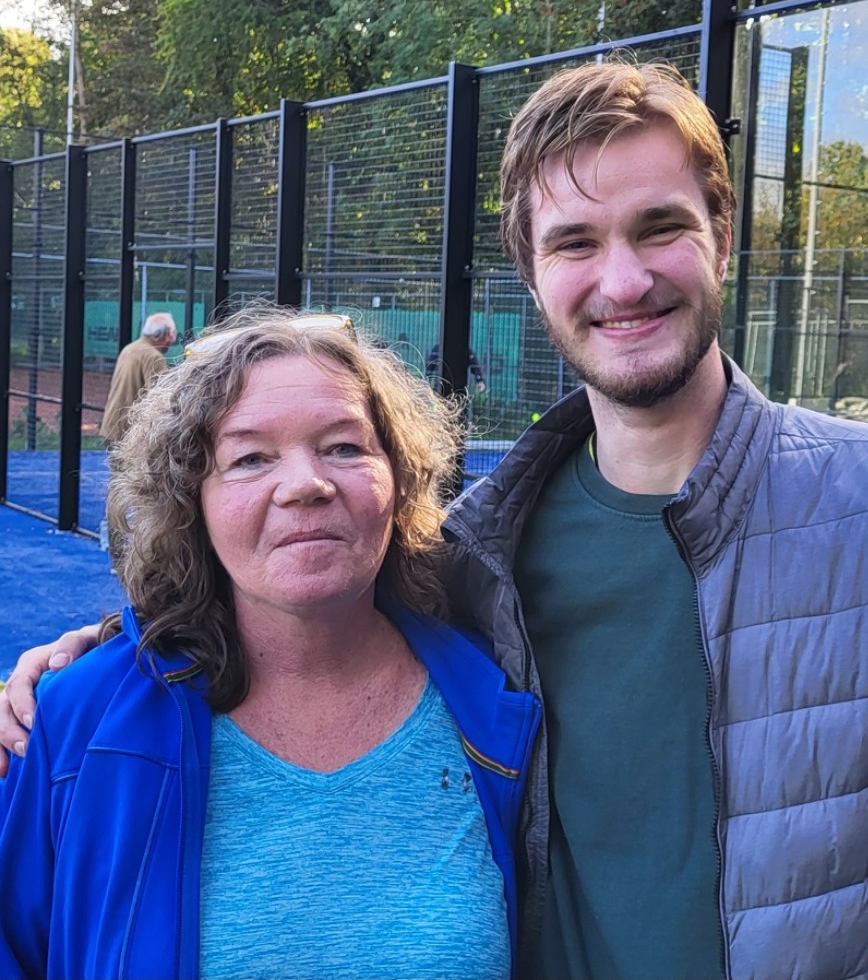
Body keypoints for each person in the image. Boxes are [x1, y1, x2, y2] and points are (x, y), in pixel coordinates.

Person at [3, 61, 868, 979]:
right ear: (531, 266)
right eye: (575, 241)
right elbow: (281, 598)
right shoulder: (473, 556)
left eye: (661, 226)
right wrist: (88, 662)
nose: (624, 277)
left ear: (722, 234)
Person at [0, 309, 539, 978]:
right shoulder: (73, 723)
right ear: (191, 500)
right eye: (250, 458)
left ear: (398, 479)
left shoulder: (502, 707)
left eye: (344, 446)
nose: (306, 484)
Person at [98, 312, 177, 444]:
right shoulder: (153, 356)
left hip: (113, 425)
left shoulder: (130, 349)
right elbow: (162, 397)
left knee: (116, 464)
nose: (171, 342)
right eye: (171, 336)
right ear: (164, 334)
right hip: (131, 433)